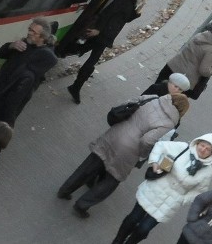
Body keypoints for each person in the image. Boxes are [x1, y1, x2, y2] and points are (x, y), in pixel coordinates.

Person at [57, 93, 189, 218]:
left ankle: (65, 190)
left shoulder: (153, 98)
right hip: (129, 151)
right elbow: (147, 140)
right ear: (182, 112)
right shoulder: (169, 123)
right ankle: (82, 205)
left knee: (90, 164)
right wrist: (142, 153)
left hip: (114, 134)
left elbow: (128, 102)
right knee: (111, 180)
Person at [112, 134, 212, 244]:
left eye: (208, 150)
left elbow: (199, 192)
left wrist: (183, 199)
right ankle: (118, 241)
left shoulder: (208, 171)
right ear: (197, 143)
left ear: (211, 154)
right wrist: (155, 163)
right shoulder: (183, 148)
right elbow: (160, 146)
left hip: (169, 203)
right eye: (202, 145)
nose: (203, 150)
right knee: (133, 219)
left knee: (143, 229)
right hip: (154, 190)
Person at [68, 0, 156, 104]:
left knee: (81, 48)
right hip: (104, 32)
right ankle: (76, 86)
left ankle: (73, 76)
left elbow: (126, 18)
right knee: (92, 60)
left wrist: (139, 9)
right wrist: (98, 29)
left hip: (108, 32)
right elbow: (109, 12)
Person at [0, 17, 58, 126]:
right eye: (29, 29)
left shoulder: (43, 57)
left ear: (42, 37)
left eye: (33, 32)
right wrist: (11, 46)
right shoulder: (25, 43)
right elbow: (1, 54)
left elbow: (18, 98)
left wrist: (7, 125)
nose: (29, 33)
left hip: (2, 99)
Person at [156, 24, 212, 100]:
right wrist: (211, 71)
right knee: (167, 102)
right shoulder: (211, 51)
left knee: (154, 91)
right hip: (183, 79)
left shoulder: (199, 36)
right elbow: (203, 70)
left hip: (171, 67)